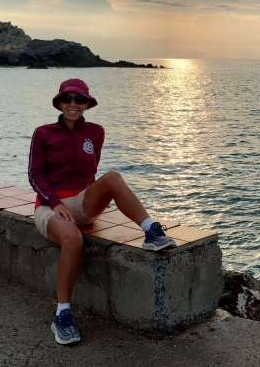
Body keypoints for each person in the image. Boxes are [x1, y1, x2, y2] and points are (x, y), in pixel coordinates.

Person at [28, 78, 176, 345]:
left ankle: (151, 231)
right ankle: (62, 314)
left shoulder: (96, 132)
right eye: (67, 99)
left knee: (112, 177)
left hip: (80, 203)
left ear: (87, 104)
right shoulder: (43, 133)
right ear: (60, 103)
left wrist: (93, 198)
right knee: (73, 239)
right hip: (49, 206)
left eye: (79, 99)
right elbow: (34, 175)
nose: (73, 104)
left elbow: (92, 171)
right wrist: (56, 202)